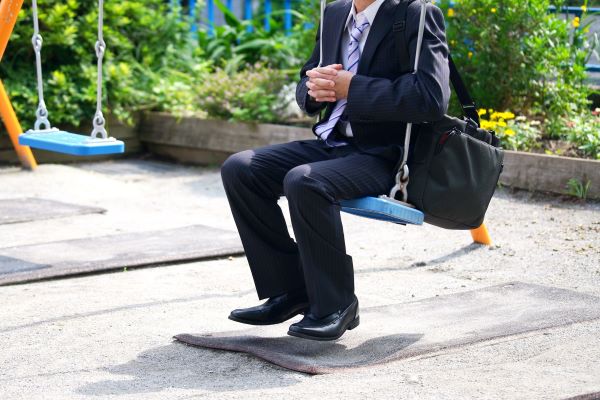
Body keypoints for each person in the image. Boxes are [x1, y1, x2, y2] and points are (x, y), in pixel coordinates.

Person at [220, 0, 450, 341]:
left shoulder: (416, 13)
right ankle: (291, 290)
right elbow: (307, 80)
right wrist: (314, 90)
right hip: (333, 142)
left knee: (305, 181)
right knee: (241, 169)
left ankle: (337, 304)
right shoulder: (334, 13)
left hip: (386, 155)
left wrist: (352, 87)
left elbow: (432, 98)